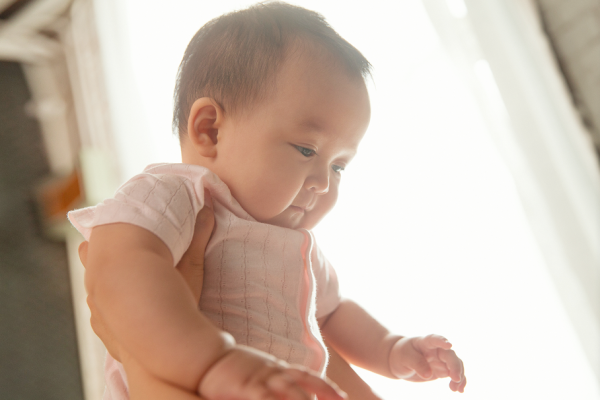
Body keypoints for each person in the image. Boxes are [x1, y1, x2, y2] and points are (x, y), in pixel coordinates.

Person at [68, 3, 467, 399]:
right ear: (210, 131)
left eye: (339, 167)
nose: (324, 184)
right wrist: (214, 362)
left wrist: (392, 350)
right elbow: (120, 271)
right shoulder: (174, 193)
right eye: (307, 150)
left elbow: (332, 313)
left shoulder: (295, 245)